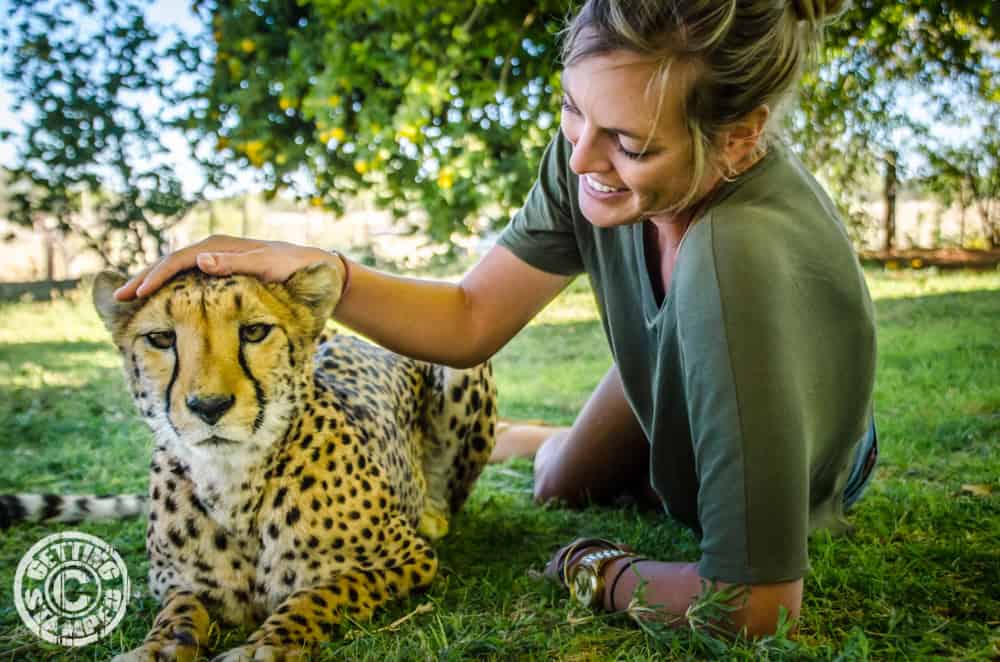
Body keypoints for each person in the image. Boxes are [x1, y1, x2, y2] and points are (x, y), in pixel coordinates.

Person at [115, 0, 878, 638]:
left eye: (630, 143)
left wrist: (594, 567)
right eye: (572, 110)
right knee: (557, 483)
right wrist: (318, 268)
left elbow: (752, 608)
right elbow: (472, 316)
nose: (581, 159)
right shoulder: (592, 163)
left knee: (630, 506)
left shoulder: (737, 258)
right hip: (682, 359)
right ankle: (538, 438)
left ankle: (613, 442)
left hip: (778, 400)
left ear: (741, 138)